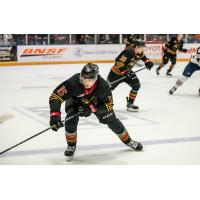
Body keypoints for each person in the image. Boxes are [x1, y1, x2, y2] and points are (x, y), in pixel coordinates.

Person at [49, 63, 143, 159]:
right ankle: (71, 146)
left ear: (96, 78)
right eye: (83, 78)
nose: (85, 81)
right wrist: (54, 115)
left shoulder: (103, 86)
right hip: (75, 101)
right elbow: (55, 96)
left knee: (112, 121)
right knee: (70, 119)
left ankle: (129, 141)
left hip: (97, 104)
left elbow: (109, 105)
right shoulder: (73, 82)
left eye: (89, 79)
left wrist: (91, 108)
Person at [106, 39, 154, 112]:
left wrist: (148, 62)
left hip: (128, 73)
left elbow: (144, 58)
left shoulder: (139, 52)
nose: (143, 49)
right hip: (116, 73)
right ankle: (98, 103)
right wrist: (125, 72)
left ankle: (130, 103)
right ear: (137, 47)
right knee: (106, 89)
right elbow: (118, 62)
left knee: (136, 84)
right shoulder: (128, 52)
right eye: (142, 48)